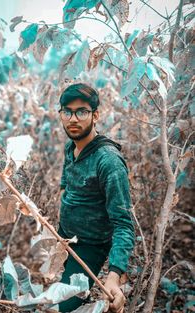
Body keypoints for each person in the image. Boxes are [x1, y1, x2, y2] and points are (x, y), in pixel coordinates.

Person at [57, 83, 135, 313]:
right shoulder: (71, 148)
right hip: (65, 238)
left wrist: (114, 276)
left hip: (89, 246)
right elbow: (66, 184)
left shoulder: (109, 161)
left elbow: (123, 225)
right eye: (67, 111)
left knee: (64, 308)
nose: (73, 118)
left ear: (95, 115)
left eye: (82, 111)